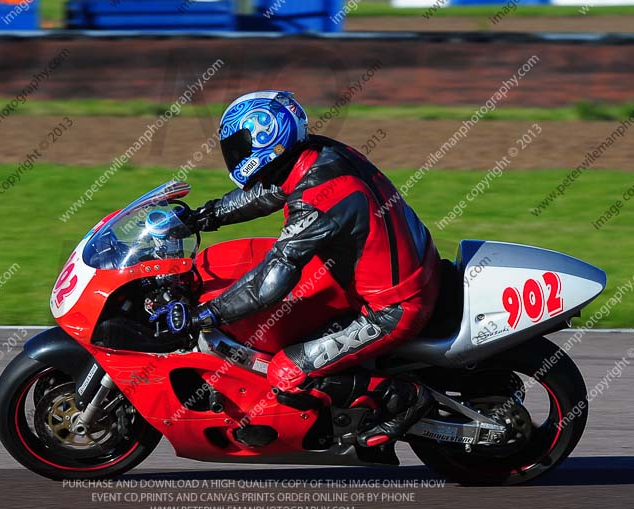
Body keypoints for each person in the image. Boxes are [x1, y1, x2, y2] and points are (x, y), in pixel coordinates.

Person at [154, 90, 440, 448]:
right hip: (392, 270)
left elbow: (272, 279)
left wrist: (205, 315)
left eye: (240, 145)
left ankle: (406, 397)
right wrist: (203, 217)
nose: (235, 155)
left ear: (266, 138)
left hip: (391, 308)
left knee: (285, 372)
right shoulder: (314, 155)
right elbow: (269, 192)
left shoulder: (323, 193)